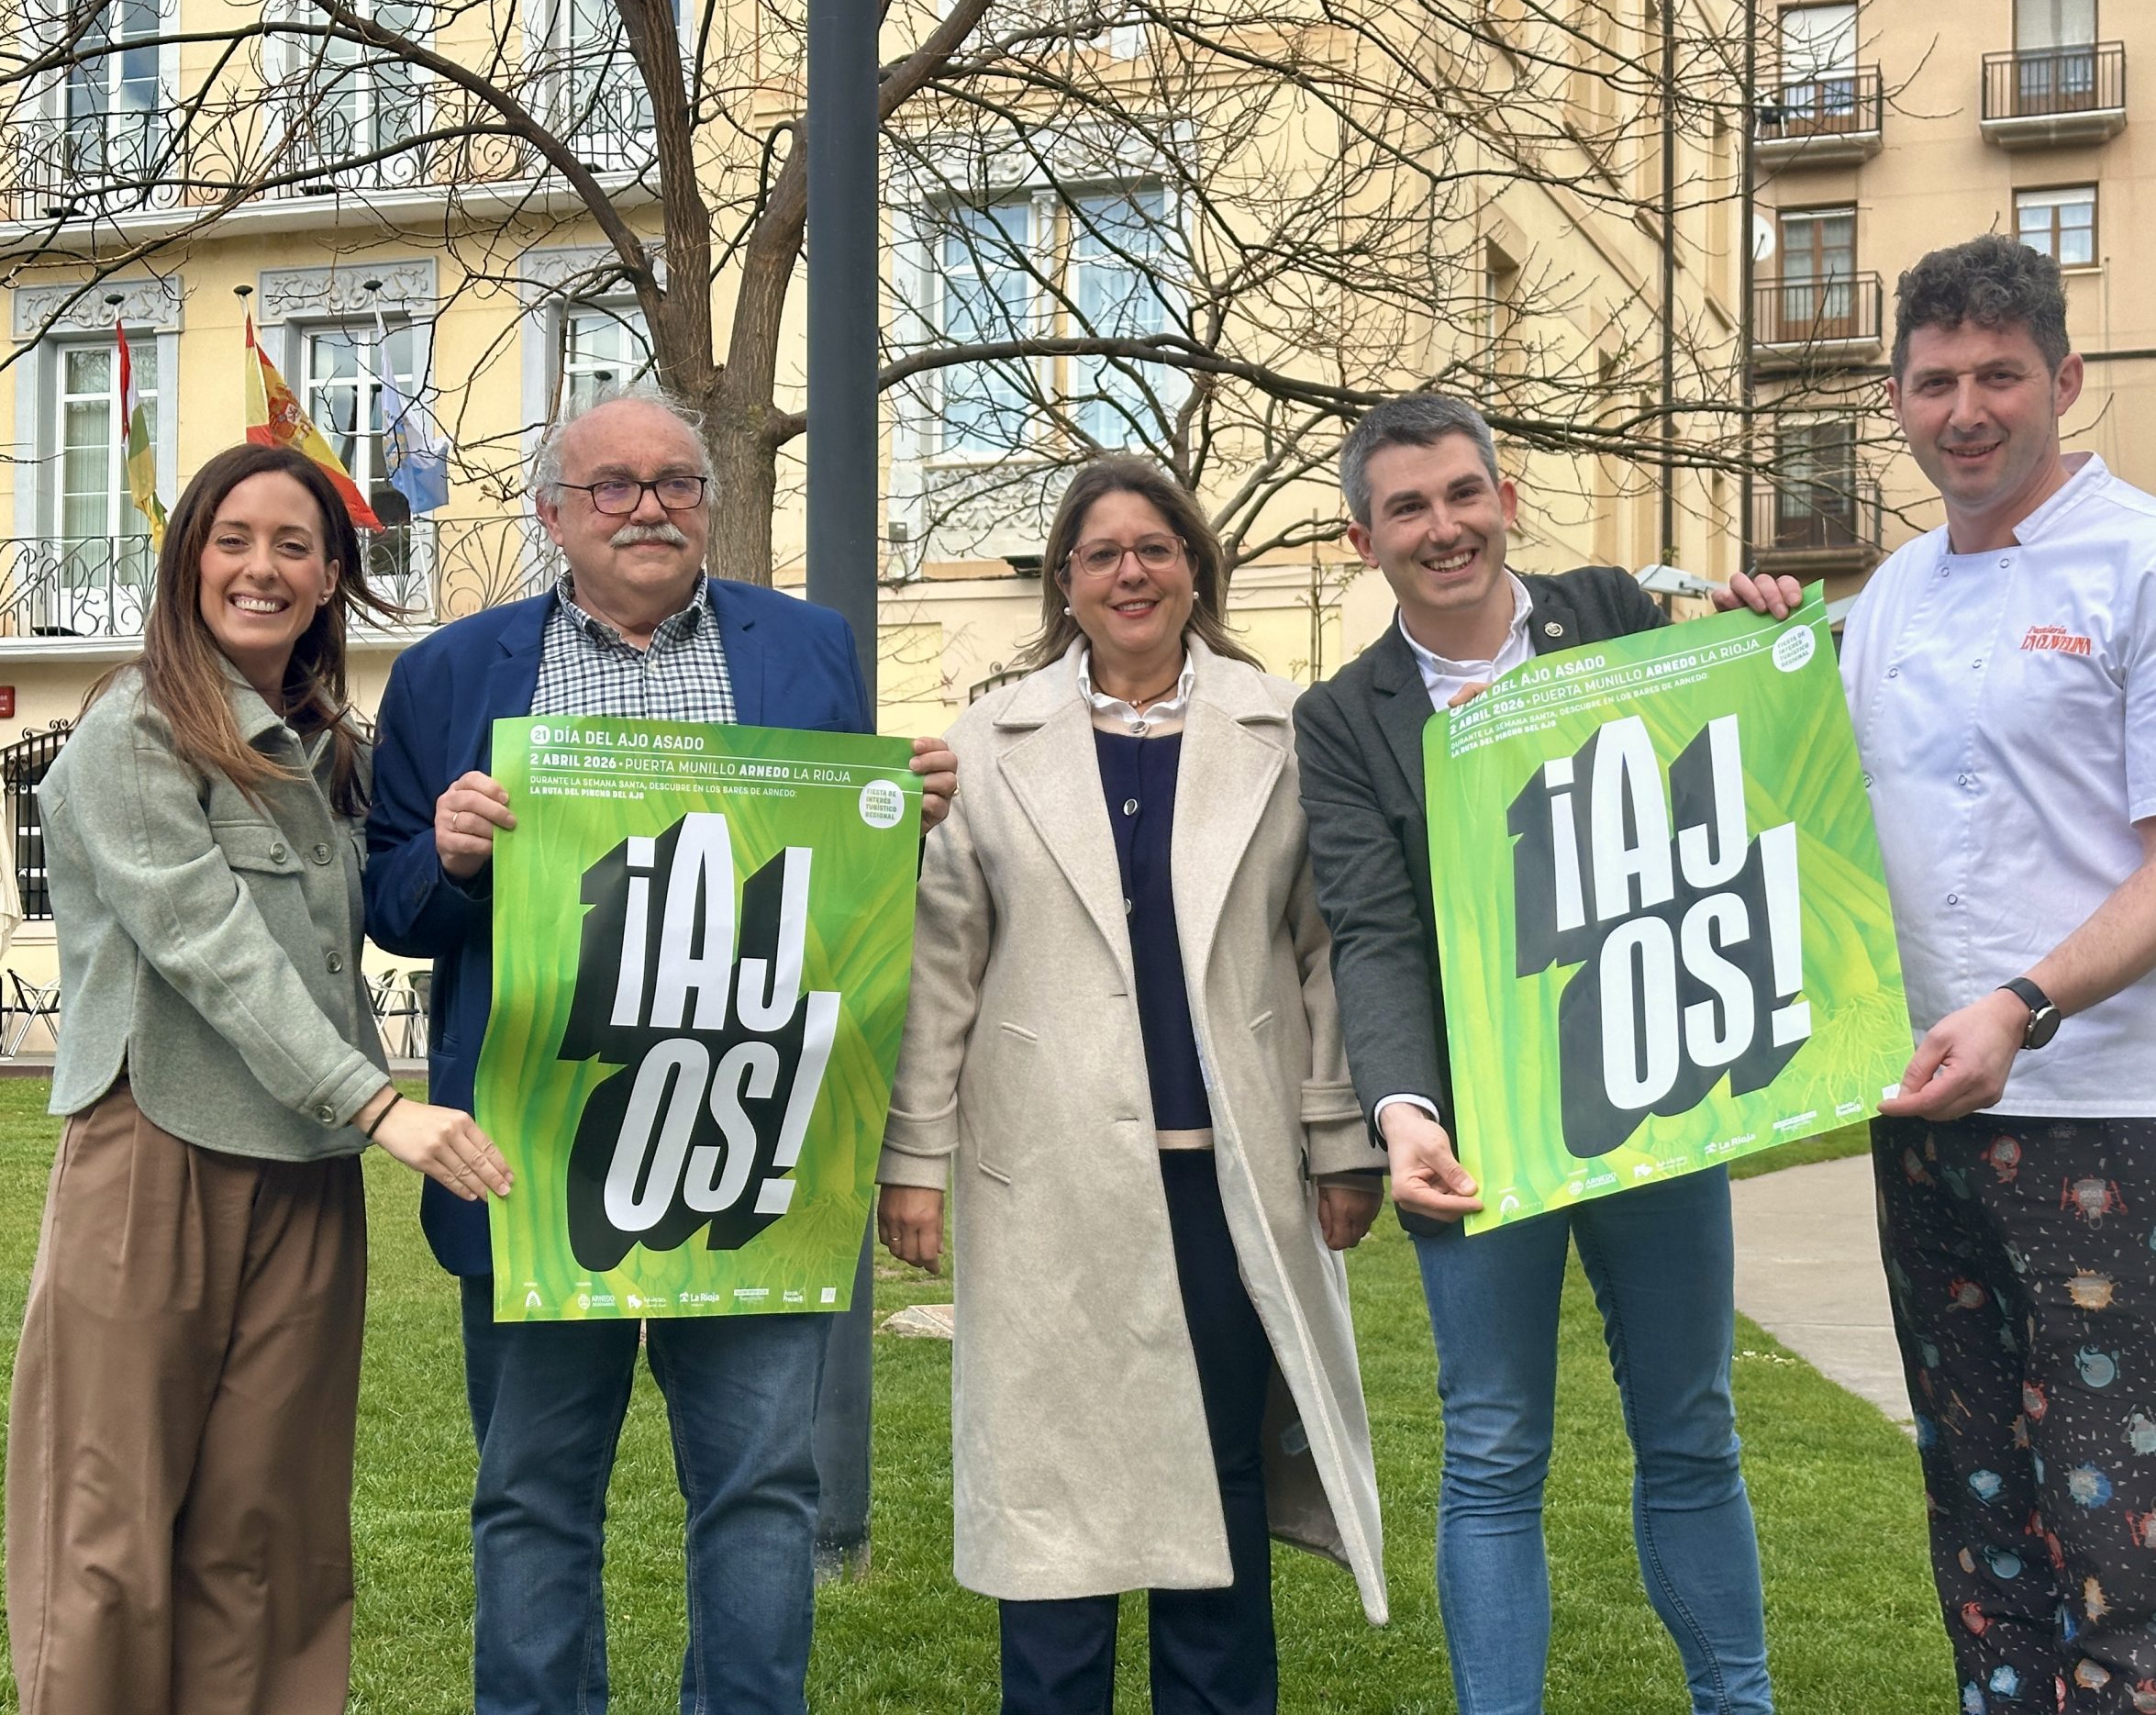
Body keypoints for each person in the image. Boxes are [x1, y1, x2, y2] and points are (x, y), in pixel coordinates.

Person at [363, 386, 958, 1715]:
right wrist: (447, 858)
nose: (648, 508)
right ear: (552, 514)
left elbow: (839, 894)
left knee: (760, 1493)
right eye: (613, 487)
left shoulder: (807, 648)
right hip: (534, 1155)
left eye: (676, 482)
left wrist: (897, 822)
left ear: (709, 502)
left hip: (752, 1145)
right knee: (532, 1497)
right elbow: (389, 907)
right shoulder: (447, 673)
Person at [1833, 235, 2156, 1715]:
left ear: (2066, 379)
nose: (1965, 412)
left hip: (2110, 1114)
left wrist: (2022, 1006)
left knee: (2136, 1531)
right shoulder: (1887, 597)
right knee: (1985, 1525)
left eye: (1999, 376)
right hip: (1926, 1113)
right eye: (1934, 383)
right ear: (1895, 399)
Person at [1293, 393, 1796, 1715]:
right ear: (1362, 541)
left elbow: (1739, 774)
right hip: (1479, 1124)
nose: (1444, 527)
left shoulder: (1618, 613)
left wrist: (1761, 645)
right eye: (1407, 508)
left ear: (1506, 501)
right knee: (1493, 1450)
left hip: (1655, 1086)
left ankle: (1738, 1704)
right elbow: (1374, 932)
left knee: (1693, 1429)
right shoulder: (1342, 719)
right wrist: (1402, 1112)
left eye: (1464, 493)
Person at [4, 443, 511, 1715]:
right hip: (156, 1155)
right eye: (232, 539)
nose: (261, 568)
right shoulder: (130, 733)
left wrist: (460, 848)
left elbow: (387, 902)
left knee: (270, 1535)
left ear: (332, 575)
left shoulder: (329, 748)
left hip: (306, 1173)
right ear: (188, 560)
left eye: (294, 545)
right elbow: (212, 951)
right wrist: (383, 1105)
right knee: (107, 1533)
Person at [877, 455, 1388, 1714]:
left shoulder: (1284, 731)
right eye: (1101, 554)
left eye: (1155, 548)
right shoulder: (988, 745)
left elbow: (1327, 949)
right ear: (1066, 581)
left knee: (1215, 1483)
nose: (1130, 574)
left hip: (1227, 1178)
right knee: (1055, 1504)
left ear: (1195, 568)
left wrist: (1340, 1138)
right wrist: (914, 1159)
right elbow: (944, 964)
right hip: (1044, 1179)